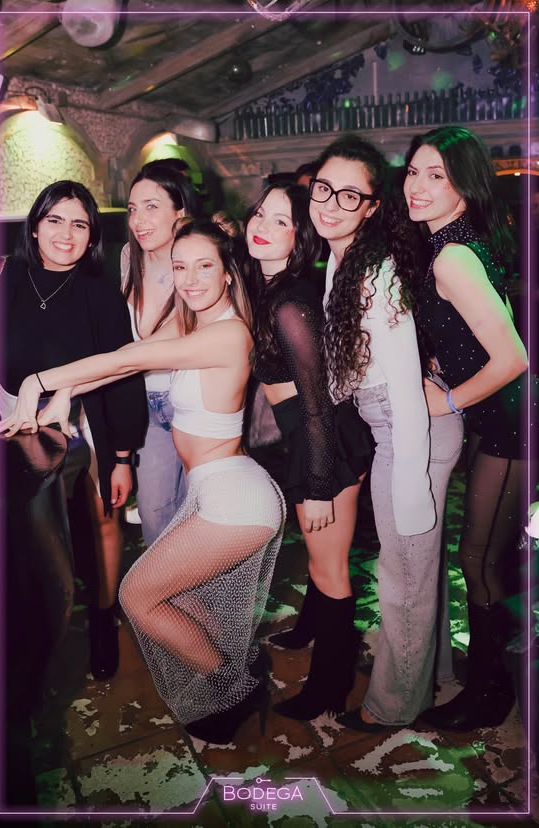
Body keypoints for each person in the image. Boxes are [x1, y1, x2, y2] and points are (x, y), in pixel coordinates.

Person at [0, 218, 286, 744]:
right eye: (180, 267)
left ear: (228, 272)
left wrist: (39, 381)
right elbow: (125, 363)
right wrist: (65, 394)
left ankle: (236, 688)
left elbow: (136, 357)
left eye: (204, 266)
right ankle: (235, 676)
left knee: (139, 596)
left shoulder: (228, 333)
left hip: (236, 499)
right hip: (213, 491)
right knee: (186, 601)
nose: (189, 280)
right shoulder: (193, 323)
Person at [309, 135, 465, 730]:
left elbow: (402, 384)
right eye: (324, 189)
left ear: (372, 207)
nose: (331, 205)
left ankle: (393, 706)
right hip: (398, 429)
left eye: (350, 196)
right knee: (420, 568)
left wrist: (410, 478)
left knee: (402, 577)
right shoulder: (343, 260)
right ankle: (435, 675)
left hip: (411, 431)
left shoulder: (376, 273)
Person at [0, 180, 147, 680]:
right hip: (13, 420)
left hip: (86, 421)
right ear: (35, 227)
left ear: (92, 236)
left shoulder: (100, 296)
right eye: (54, 220)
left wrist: (122, 458)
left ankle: (102, 617)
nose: (66, 233)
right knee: (26, 530)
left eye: (79, 224)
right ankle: (29, 628)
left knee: (103, 520)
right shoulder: (5, 279)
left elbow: (122, 377)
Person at [403, 126, 529, 731]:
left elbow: (513, 358)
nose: (418, 186)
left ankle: (489, 694)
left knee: (478, 558)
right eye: (414, 172)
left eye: (438, 176)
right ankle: (493, 679)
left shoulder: (452, 256)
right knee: (487, 557)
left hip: (511, 422)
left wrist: (447, 400)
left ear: (464, 187)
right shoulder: (453, 245)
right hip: (497, 417)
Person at [245, 182, 372, 720]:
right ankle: (311, 635)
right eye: (260, 213)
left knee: (329, 569)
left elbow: (317, 402)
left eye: (281, 221)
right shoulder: (271, 287)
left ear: (300, 238)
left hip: (324, 442)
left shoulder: (290, 304)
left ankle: (328, 689)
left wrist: (319, 485)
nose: (262, 226)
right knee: (324, 563)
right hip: (311, 436)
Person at [122, 160, 200, 546]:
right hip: (146, 406)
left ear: (179, 212)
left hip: (193, 403)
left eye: (152, 207)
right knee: (154, 519)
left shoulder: (197, 261)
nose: (139, 220)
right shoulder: (128, 257)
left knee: (195, 519)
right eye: (133, 209)